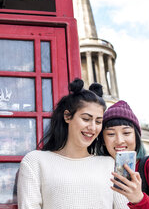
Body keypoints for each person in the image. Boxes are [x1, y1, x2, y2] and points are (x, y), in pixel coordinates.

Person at [17, 78, 128, 209]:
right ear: (67, 116)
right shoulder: (35, 161)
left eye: (98, 121)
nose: (93, 127)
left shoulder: (111, 164)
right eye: (86, 119)